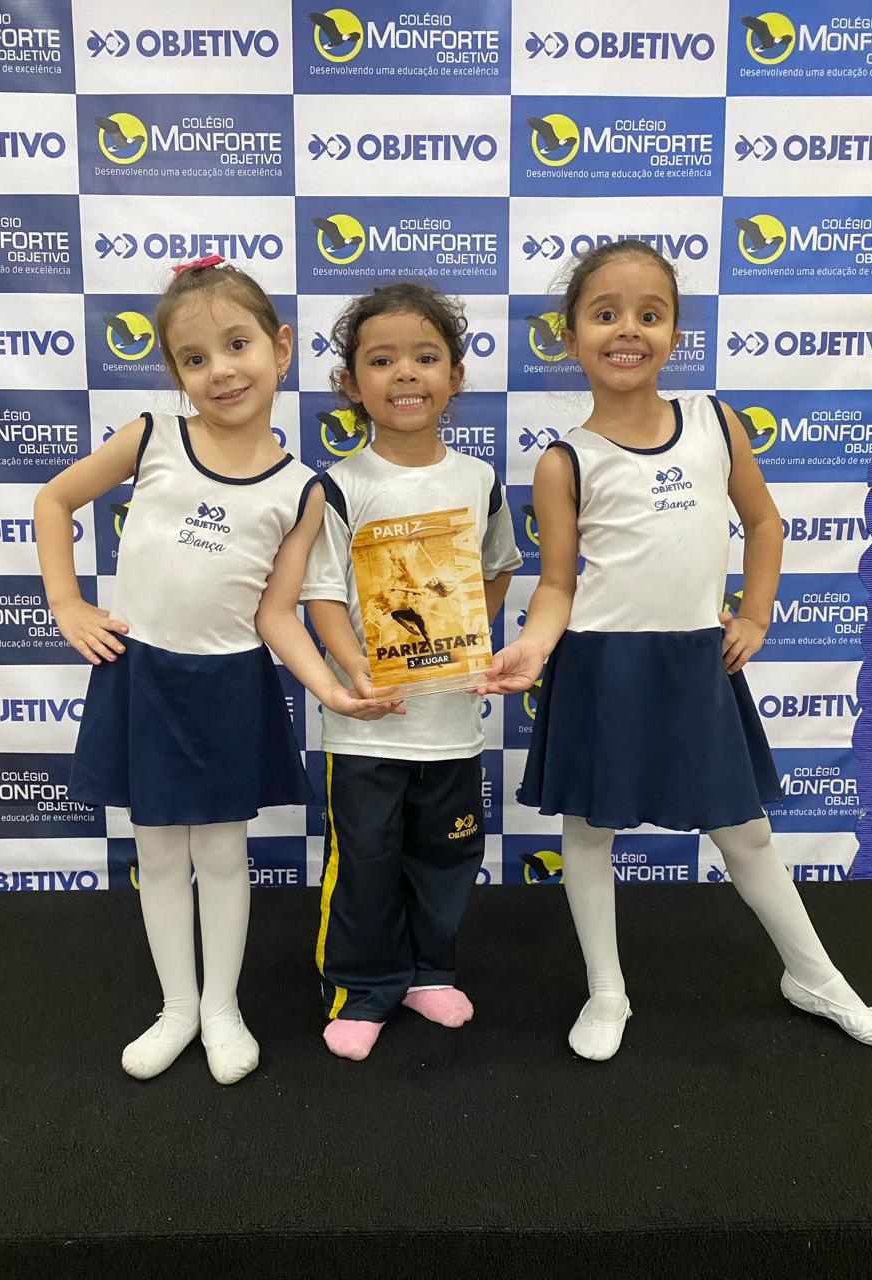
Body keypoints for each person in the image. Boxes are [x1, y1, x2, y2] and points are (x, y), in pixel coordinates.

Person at [479, 240, 872, 1060]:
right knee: (588, 834)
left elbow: (764, 523)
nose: (628, 330)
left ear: (676, 332)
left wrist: (756, 615)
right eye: (605, 314)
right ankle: (607, 990)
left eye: (650, 313)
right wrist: (531, 644)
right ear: (570, 335)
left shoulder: (714, 420)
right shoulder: (565, 461)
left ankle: (816, 977)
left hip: (695, 666)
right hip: (601, 669)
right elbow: (557, 585)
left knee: (745, 834)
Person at [34, 256, 378, 1085]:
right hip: (142, 677)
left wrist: (331, 688)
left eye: (237, 344)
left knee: (222, 853)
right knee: (157, 854)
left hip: (228, 687)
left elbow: (277, 614)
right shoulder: (151, 436)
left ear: (280, 347)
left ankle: (222, 1008)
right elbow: (53, 500)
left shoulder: (302, 490)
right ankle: (177, 1008)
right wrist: (66, 603)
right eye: (195, 358)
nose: (220, 370)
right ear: (175, 372)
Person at [301, 282, 522, 1061]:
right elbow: (321, 595)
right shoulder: (338, 485)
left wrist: (468, 638)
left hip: (451, 725)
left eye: (425, 358)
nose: (404, 374)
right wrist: (355, 670)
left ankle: (429, 971)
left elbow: (497, 567)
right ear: (350, 383)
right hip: (367, 727)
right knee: (364, 864)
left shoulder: (479, 480)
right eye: (382, 360)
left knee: (445, 855)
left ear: (454, 377)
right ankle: (362, 988)